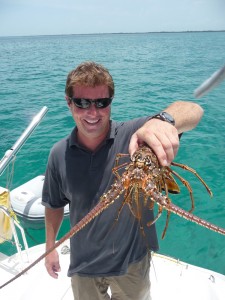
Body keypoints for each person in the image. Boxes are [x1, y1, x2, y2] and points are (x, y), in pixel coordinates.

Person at [42, 61, 203, 300]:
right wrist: (50, 248)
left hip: (132, 263)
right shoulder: (58, 154)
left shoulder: (136, 135)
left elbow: (193, 110)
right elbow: (54, 205)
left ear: (110, 103)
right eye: (82, 102)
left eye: (101, 103)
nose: (93, 112)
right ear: (69, 103)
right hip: (83, 264)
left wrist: (163, 120)